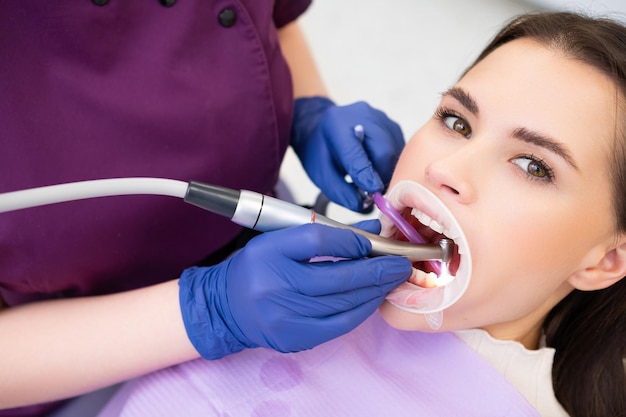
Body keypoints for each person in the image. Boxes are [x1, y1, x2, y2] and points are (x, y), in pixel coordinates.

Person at [92, 11, 626, 417]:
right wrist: (209, 310)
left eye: (533, 166)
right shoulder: (267, 281)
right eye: (457, 122)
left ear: (606, 260)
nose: (447, 167)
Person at [0, 1, 414, 415]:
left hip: (264, 230)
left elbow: (273, 19)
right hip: (73, 364)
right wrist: (209, 310)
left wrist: (311, 108)